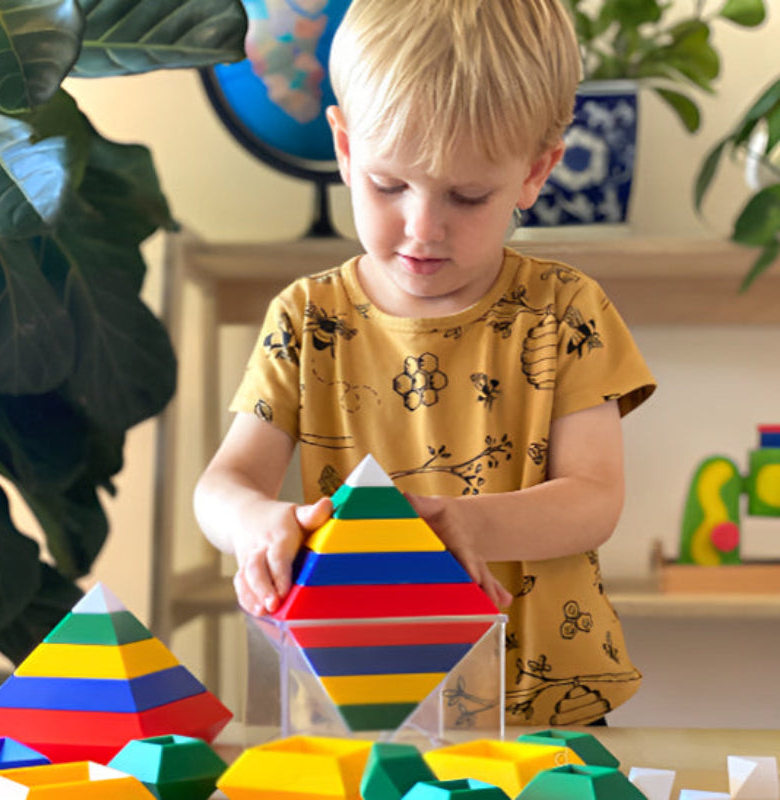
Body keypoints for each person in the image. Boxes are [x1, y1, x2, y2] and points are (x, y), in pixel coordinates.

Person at [194, 0, 656, 726]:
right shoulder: (307, 316)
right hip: (358, 698)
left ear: (536, 173)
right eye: (389, 185)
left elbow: (594, 498)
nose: (422, 227)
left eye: (468, 195)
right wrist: (258, 522)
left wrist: (472, 525)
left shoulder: (567, 309)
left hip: (541, 705)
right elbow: (223, 483)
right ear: (344, 149)